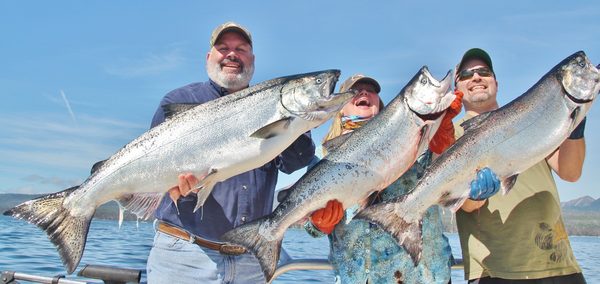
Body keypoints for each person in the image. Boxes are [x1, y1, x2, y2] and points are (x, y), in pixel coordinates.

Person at [145, 22, 316, 284]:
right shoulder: (178, 101)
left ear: (252, 59)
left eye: (241, 49)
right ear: (209, 58)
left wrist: (299, 122)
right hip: (184, 257)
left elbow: (295, 162)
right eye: (223, 48)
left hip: (250, 261)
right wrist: (175, 189)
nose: (232, 54)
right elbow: (153, 170)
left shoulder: (275, 104)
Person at [304, 74, 500, 284]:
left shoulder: (419, 144)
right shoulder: (323, 164)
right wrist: (319, 224)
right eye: (354, 91)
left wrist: (442, 131)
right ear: (340, 108)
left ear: (380, 105)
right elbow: (310, 227)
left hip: (424, 277)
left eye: (371, 90)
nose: (363, 93)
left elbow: (446, 176)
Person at [454, 48, 587, 283]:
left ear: (496, 81)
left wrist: (575, 124)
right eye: (466, 74)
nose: (476, 77)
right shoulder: (451, 135)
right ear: (457, 89)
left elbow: (571, 172)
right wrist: (476, 196)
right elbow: (463, 205)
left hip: (560, 265)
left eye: (484, 71)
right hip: (495, 271)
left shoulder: (534, 116)